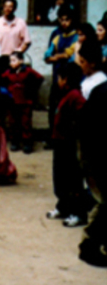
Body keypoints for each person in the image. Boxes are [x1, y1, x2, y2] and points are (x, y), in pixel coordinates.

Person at [76, 41, 107, 267]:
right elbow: (88, 130)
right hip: (98, 153)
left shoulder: (99, 88)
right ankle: (90, 244)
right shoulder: (100, 91)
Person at [46, 62, 88, 228]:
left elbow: (84, 116)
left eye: (59, 78)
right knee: (60, 178)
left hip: (69, 144)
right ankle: (62, 207)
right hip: (60, 143)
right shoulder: (64, 94)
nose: (58, 81)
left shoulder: (75, 96)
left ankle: (78, 213)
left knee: (73, 180)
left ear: (66, 79)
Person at [44, 7, 78, 145]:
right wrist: (60, 56)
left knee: (68, 109)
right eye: (61, 20)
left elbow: (72, 56)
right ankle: (53, 137)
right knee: (54, 107)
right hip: (57, 75)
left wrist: (58, 56)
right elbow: (47, 56)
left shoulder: (76, 35)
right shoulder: (56, 35)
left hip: (71, 78)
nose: (64, 23)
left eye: (67, 20)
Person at [1, 51, 44, 154]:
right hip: (12, 101)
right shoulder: (8, 72)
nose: (11, 63)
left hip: (25, 101)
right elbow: (1, 81)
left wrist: (32, 90)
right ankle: (14, 142)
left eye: (14, 60)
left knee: (25, 122)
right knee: (13, 122)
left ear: (21, 60)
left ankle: (27, 143)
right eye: (10, 60)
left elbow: (40, 78)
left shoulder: (28, 71)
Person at [0, 0, 31, 75]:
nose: (7, 9)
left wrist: (19, 53)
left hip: (14, 60)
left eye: (10, 7)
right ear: (3, 8)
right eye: (5, 6)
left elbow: (27, 42)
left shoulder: (21, 22)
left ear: (15, 9)